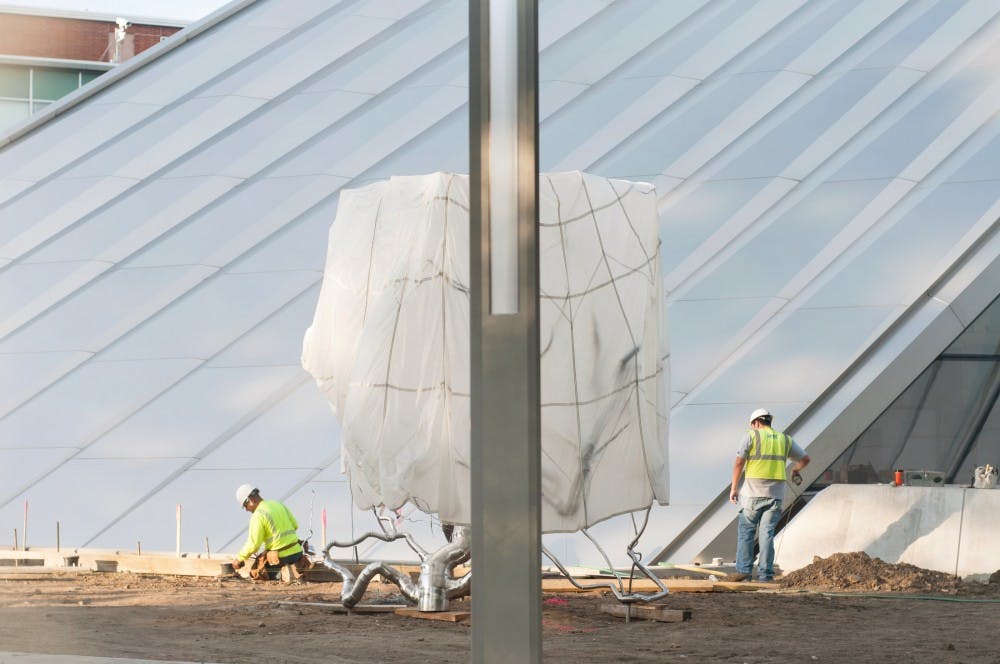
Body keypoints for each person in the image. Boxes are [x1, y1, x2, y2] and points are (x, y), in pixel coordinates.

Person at [729, 408, 810, 582]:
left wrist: (734, 487)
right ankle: (765, 575)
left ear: (756, 422)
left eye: (752, 425)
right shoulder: (784, 439)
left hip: (752, 493)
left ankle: (744, 574)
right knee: (767, 535)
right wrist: (795, 470)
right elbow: (805, 459)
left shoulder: (750, 436)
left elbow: (738, 463)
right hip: (775, 495)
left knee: (746, 533)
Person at [231, 484, 304, 583]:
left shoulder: (258, 515)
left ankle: (282, 574)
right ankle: (295, 569)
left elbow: (253, 544)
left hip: (280, 558)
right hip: (297, 553)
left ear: (251, 500)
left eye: (245, 505)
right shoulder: (278, 504)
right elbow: (295, 525)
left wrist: (239, 559)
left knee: (257, 573)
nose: (246, 509)